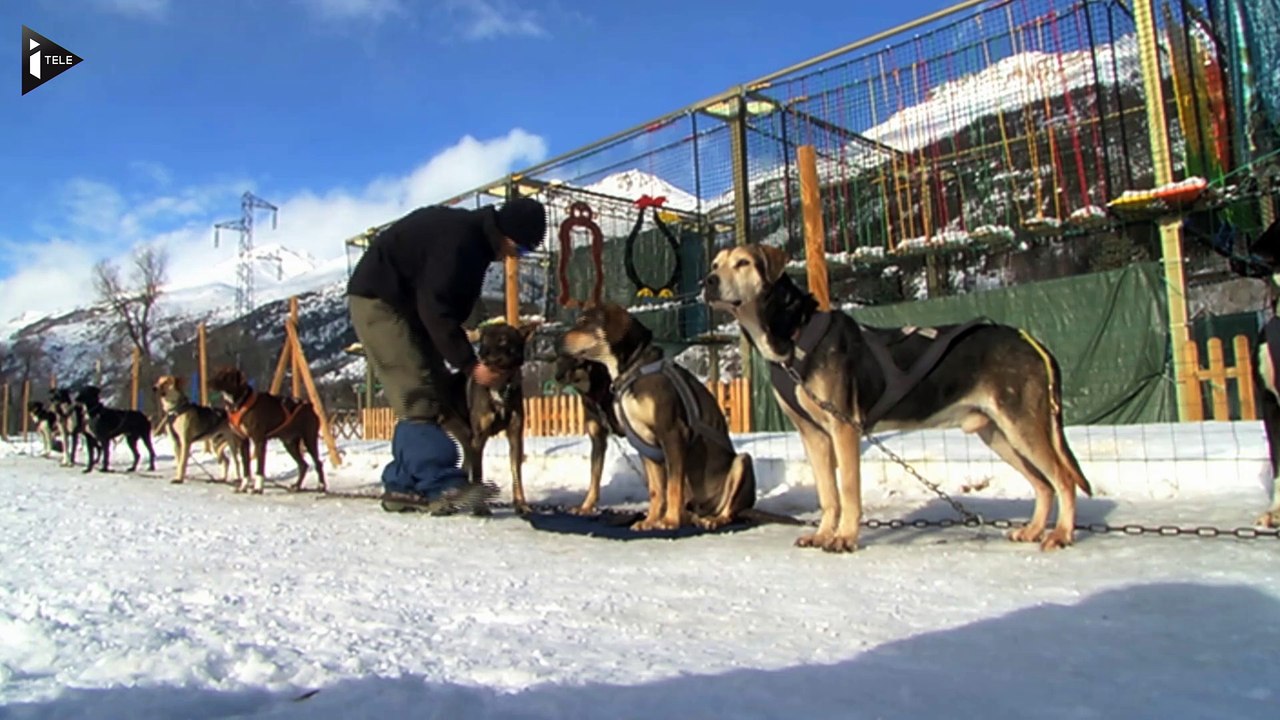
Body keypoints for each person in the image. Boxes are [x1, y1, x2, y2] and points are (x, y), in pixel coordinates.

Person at [346, 196, 546, 514]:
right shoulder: (461, 243)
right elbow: (435, 306)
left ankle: (403, 485)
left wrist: (458, 345)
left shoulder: (476, 244)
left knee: (437, 389)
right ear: (508, 235)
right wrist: (469, 364)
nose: (515, 257)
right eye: (520, 250)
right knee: (418, 393)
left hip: (407, 308)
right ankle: (441, 486)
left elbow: (443, 306)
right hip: (380, 301)